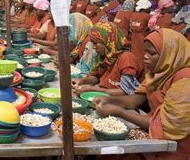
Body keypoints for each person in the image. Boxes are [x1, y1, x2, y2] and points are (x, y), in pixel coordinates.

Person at [93, 29, 190, 159]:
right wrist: (110, 100)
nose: (145, 56)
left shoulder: (185, 81)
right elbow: (137, 99)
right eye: (145, 51)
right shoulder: (158, 72)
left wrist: (118, 112)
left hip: (174, 147)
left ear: (169, 54)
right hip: (152, 134)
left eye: (152, 53)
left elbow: (164, 126)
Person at [72, 22, 142, 96]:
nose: (93, 47)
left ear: (108, 41)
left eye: (95, 43)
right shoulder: (103, 56)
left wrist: (95, 90)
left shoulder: (126, 58)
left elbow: (126, 92)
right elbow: (96, 76)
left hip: (119, 102)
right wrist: (82, 81)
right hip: (104, 96)